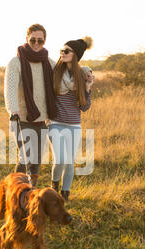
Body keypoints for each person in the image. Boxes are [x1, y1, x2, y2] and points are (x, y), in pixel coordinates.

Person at [4, 24, 57, 187]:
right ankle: (14, 190)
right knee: (26, 157)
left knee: (37, 159)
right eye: (33, 40)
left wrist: (85, 77)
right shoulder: (16, 62)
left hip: (42, 118)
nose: (36, 43)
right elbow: (10, 88)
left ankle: (29, 191)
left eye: (40, 41)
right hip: (22, 117)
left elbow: (63, 82)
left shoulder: (50, 62)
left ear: (44, 41)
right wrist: (13, 110)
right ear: (27, 39)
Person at [48, 37, 95, 201]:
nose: (62, 53)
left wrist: (88, 88)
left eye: (66, 51)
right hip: (55, 124)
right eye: (61, 50)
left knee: (69, 162)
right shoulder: (55, 72)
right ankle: (54, 185)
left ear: (75, 55)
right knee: (60, 159)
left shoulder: (82, 77)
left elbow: (84, 107)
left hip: (74, 126)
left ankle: (65, 195)